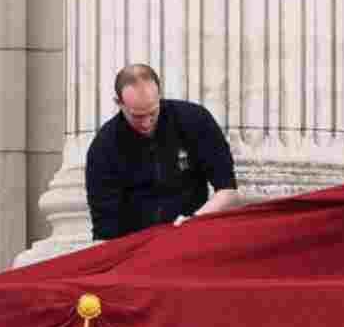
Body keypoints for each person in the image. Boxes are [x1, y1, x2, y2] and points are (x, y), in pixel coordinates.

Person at [86, 64, 241, 240]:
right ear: (119, 103)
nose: (146, 123)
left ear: (160, 95)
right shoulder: (104, 147)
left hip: (193, 232)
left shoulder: (194, 120)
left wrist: (194, 221)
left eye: (152, 113)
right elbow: (105, 227)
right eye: (137, 116)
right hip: (136, 245)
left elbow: (228, 191)